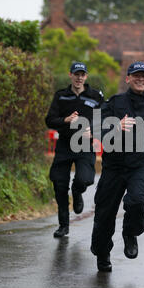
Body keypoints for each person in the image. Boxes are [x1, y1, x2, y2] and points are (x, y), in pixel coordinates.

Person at [90, 61, 144, 272]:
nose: (140, 79)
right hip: (114, 166)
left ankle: (130, 232)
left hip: (141, 165)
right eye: (136, 75)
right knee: (105, 215)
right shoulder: (114, 103)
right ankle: (103, 253)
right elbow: (96, 128)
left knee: (137, 200)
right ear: (128, 78)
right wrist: (116, 126)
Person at [45, 62, 104, 238]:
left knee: (84, 179)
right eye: (76, 74)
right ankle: (64, 225)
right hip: (64, 144)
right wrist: (65, 120)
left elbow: (106, 120)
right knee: (59, 183)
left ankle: (77, 192)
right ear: (70, 75)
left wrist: (92, 131)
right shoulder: (61, 96)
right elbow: (49, 120)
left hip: (85, 145)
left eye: (82, 74)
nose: (79, 77)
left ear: (86, 76)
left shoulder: (96, 96)